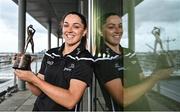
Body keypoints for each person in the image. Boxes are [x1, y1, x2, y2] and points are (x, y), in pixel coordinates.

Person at [14, 11, 93, 111]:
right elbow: (38, 91)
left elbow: (70, 101)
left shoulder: (85, 59)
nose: (69, 30)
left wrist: (34, 79)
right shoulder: (50, 53)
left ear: (84, 31)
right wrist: (27, 72)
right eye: (66, 25)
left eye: (76, 26)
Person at [94, 13, 172, 111]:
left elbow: (142, 83)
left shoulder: (129, 53)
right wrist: (156, 77)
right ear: (100, 31)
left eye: (120, 26)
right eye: (111, 27)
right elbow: (123, 98)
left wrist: (157, 70)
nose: (118, 31)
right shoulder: (102, 59)